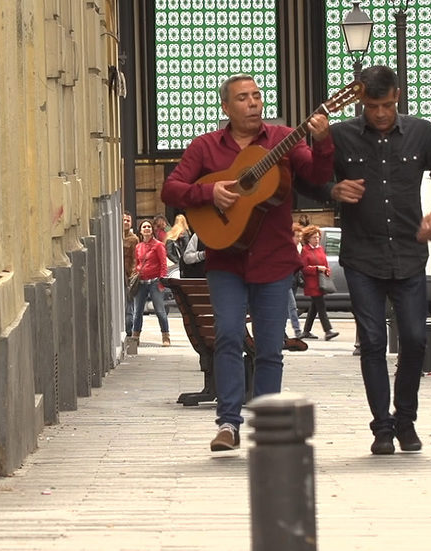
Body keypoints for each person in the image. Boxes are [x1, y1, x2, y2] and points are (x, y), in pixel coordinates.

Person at [161, 73, 334, 451]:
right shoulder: (206, 147)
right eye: (243, 98)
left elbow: (319, 176)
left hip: (273, 261)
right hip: (226, 260)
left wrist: (322, 142)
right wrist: (210, 193)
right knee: (226, 336)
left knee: (271, 347)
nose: (253, 102)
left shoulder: (281, 139)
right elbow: (171, 188)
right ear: (226, 107)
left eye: (257, 95)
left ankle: (268, 425)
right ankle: (228, 423)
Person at [329, 65, 431, 455]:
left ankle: (406, 419)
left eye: (386, 105)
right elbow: (306, 178)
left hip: (407, 252)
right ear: (360, 102)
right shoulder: (341, 137)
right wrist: (332, 189)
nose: (381, 114)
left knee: (416, 339)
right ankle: (382, 428)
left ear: (398, 96)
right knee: (371, 341)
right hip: (361, 256)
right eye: (372, 106)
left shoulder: (422, 132)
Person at [131, 220, 171, 347]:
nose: (147, 229)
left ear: (152, 230)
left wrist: (162, 281)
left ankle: (166, 336)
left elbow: (163, 264)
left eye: (149, 226)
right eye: (144, 227)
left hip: (155, 281)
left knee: (160, 310)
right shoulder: (138, 246)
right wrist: (135, 273)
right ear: (141, 231)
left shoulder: (158, 245)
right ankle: (135, 336)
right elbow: (136, 263)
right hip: (141, 282)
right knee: (138, 311)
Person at [298, 225, 338, 341]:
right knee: (321, 306)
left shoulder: (320, 249)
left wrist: (326, 270)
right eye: (314, 237)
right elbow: (304, 268)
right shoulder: (305, 250)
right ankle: (328, 330)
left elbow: (325, 263)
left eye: (318, 237)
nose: (317, 240)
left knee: (314, 307)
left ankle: (306, 331)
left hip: (321, 281)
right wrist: (316, 268)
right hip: (312, 283)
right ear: (308, 239)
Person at [122, 211, 139, 338]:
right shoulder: (116, 236)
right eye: (124, 220)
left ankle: (129, 330)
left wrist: (133, 273)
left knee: (129, 304)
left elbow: (135, 257)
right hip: (118, 274)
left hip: (127, 276)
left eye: (128, 220)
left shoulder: (134, 239)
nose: (126, 222)